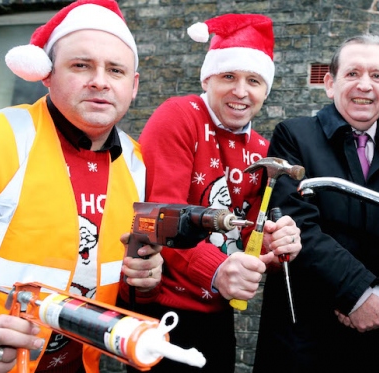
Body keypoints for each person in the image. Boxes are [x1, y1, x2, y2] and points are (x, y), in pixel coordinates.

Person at [0, 1, 162, 372]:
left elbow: (106, 278)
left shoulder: (138, 163)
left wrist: (144, 282)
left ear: (133, 86)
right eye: (81, 65)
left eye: (115, 70)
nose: (100, 80)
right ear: (47, 74)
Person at [125, 13, 302, 373]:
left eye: (254, 80)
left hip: (218, 314)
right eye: (228, 77)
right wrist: (219, 268)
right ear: (207, 78)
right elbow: (160, 218)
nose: (241, 91)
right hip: (161, 312)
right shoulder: (178, 116)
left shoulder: (260, 146)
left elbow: (247, 235)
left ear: (266, 90)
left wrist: (275, 244)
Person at [252, 34, 379, 373]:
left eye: (376, 76)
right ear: (330, 84)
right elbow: (297, 224)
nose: (365, 85)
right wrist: (359, 294)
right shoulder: (293, 136)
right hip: (305, 338)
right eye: (353, 74)